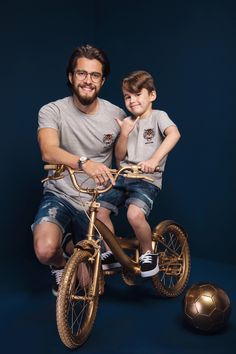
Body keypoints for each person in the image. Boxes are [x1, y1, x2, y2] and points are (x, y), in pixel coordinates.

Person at [32, 44, 125, 296]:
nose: (88, 80)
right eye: (82, 73)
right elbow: (48, 150)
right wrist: (85, 163)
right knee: (44, 250)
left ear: (102, 80)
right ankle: (61, 262)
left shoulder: (116, 114)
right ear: (71, 77)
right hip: (60, 195)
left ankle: (76, 245)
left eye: (95, 75)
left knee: (92, 287)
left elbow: (123, 158)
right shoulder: (52, 110)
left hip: (95, 202)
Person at [97, 70, 181, 277]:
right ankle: (112, 254)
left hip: (146, 180)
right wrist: (124, 133)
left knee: (134, 215)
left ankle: (147, 252)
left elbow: (174, 134)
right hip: (124, 177)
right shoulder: (127, 121)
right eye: (128, 96)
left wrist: (153, 160)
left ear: (152, 95)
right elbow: (119, 156)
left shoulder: (158, 116)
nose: (132, 100)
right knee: (99, 212)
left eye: (137, 94)